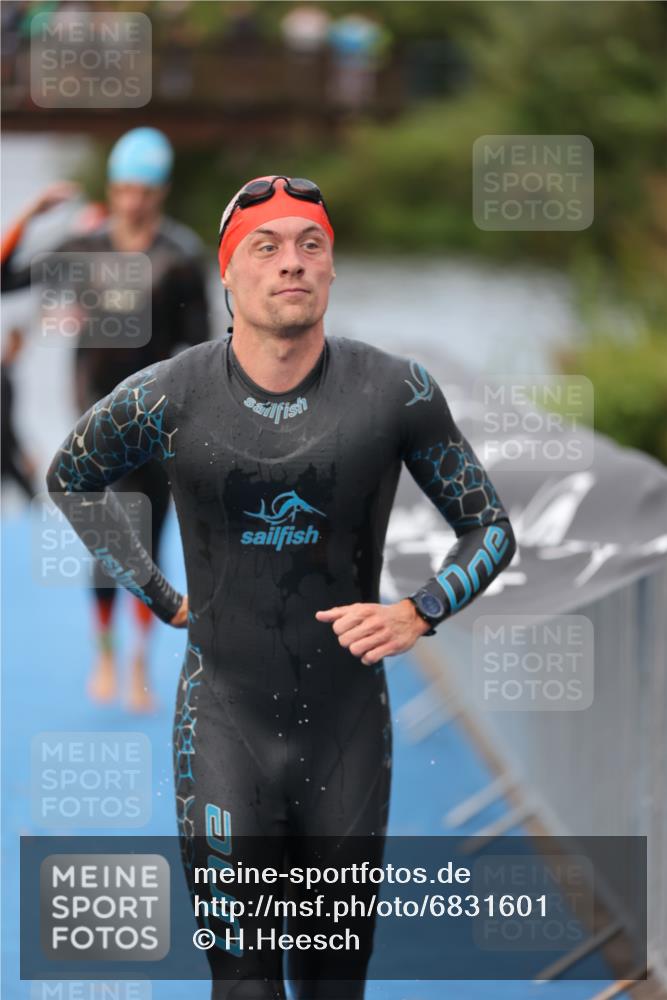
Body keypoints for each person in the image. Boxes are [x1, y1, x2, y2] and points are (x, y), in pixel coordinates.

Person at [46, 175, 516, 998]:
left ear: (331, 269)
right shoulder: (168, 394)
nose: (291, 262)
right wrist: (156, 591)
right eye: (265, 247)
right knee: (243, 982)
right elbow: (71, 477)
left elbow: (490, 528)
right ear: (228, 273)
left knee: (335, 982)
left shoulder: (394, 392)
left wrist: (419, 611)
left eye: (310, 245)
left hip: (346, 732)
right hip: (222, 725)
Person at [2, 126, 211, 711]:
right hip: (92, 414)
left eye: (143, 190)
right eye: (123, 189)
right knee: (104, 538)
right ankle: (105, 654)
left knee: (148, 534)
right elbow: (4, 279)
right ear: (113, 189)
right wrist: (31, 215)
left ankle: (140, 659)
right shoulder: (83, 248)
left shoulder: (179, 256)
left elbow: (199, 350)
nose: (131, 201)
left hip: (156, 421)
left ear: (160, 191)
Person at [1, 326, 36, 499]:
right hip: (4, 451)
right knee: (30, 493)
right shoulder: (4, 380)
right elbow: (4, 424)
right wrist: (22, 454)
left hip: (5, 451)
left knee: (29, 492)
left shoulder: (6, 377)